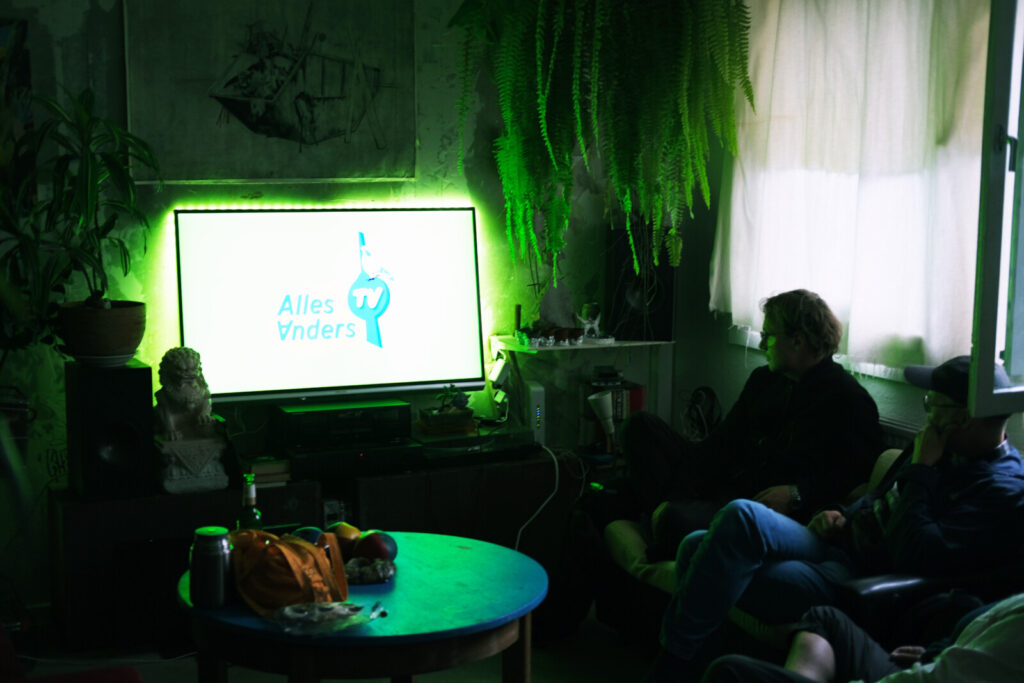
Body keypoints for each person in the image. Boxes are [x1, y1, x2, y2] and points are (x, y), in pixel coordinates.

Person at [649, 355, 1024, 682]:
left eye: (933, 403)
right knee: (735, 520)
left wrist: (921, 471)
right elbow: (879, 498)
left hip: (856, 580)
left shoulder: (1000, 488)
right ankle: (686, 665)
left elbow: (916, 553)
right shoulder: (941, 442)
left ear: (963, 418)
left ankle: (673, 668)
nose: (927, 412)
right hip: (834, 541)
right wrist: (841, 513)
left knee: (696, 548)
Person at [612, 289, 884, 562]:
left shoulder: (849, 399)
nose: (762, 344)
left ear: (798, 340)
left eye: (769, 335)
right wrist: (681, 484)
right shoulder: (764, 379)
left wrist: (798, 494)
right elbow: (721, 442)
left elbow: (859, 480)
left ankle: (662, 519)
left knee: (670, 517)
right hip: (721, 484)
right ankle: (661, 513)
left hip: (754, 507)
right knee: (639, 427)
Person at [701, 594, 1024, 682]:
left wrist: (921, 472)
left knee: (729, 671)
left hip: (927, 677)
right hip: (937, 660)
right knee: (826, 618)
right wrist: (936, 651)